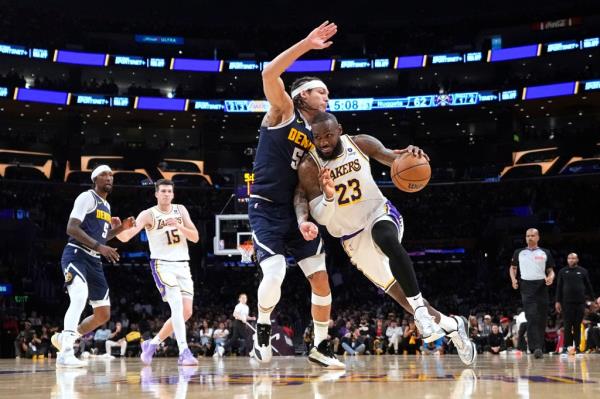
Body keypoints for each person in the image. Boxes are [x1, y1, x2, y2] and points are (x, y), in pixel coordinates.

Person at [295, 112, 476, 365]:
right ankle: (454, 324)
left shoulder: (360, 143)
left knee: (385, 237)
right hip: (352, 239)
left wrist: (410, 156)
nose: (323, 141)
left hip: (379, 214)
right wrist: (328, 195)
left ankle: (420, 313)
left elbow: (394, 159)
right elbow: (323, 218)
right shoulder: (309, 166)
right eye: (318, 137)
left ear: (339, 130)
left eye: (328, 135)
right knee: (398, 293)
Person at [249, 21, 344, 368]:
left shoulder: (320, 136)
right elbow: (268, 73)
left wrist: (307, 216)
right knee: (275, 273)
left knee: (319, 277)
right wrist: (306, 43)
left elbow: (306, 187)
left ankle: (320, 345)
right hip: (265, 208)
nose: (327, 98)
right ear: (304, 94)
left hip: (294, 211)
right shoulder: (283, 111)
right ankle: (261, 326)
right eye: (322, 92)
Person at [51, 165, 134, 367]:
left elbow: (102, 236)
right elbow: (71, 228)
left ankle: (65, 339)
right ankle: (66, 353)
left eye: (112, 175)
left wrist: (121, 228)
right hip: (76, 254)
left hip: (94, 259)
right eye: (105, 175)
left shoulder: (106, 205)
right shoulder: (86, 197)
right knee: (79, 296)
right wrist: (101, 247)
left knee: (103, 314)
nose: (109, 178)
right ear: (95, 179)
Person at [117, 179, 199, 366]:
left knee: (186, 312)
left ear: (173, 194)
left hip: (183, 265)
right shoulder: (148, 214)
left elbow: (195, 237)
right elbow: (126, 237)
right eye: (163, 191)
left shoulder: (181, 210)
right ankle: (184, 352)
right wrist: (119, 228)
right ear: (156, 194)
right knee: (176, 305)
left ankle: (152, 344)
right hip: (163, 265)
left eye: (169, 191)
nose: (166, 194)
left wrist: (178, 225)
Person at [510, 228, 555, 358]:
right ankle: (535, 347)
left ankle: (539, 346)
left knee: (541, 317)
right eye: (527, 236)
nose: (530, 238)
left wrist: (551, 277)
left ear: (538, 237)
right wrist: (513, 279)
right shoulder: (519, 252)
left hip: (541, 285)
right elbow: (513, 268)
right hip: (526, 285)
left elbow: (550, 270)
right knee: (531, 316)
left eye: (532, 235)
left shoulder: (545, 252)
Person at [555, 253, 595, 353]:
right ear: (567, 260)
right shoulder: (563, 271)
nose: (571, 260)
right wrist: (557, 301)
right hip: (566, 303)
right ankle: (566, 347)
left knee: (577, 325)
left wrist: (593, 300)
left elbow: (588, 285)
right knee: (567, 325)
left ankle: (577, 347)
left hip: (580, 302)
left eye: (573, 258)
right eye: (569, 258)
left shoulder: (583, 271)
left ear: (577, 260)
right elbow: (559, 287)